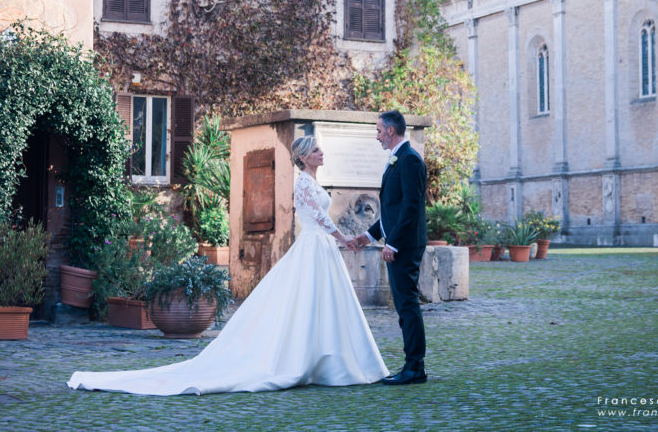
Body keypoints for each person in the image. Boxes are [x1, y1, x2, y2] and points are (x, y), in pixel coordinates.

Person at [67, 135, 389, 396]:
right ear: (304, 157)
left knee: (327, 303)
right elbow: (318, 217)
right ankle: (306, 359)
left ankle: (331, 359)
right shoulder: (303, 182)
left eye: (320, 148)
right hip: (315, 245)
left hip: (322, 247)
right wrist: (344, 238)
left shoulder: (315, 182)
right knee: (306, 302)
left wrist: (340, 239)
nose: (321, 153)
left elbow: (322, 216)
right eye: (315, 150)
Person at [351, 110, 428, 385]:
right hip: (400, 242)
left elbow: (411, 207)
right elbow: (393, 211)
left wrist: (392, 243)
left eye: (379, 131)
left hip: (406, 245)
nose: (377, 136)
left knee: (407, 305)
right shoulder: (399, 159)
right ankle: (412, 365)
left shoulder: (409, 160)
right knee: (403, 305)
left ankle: (415, 368)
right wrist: (368, 237)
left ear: (391, 131)